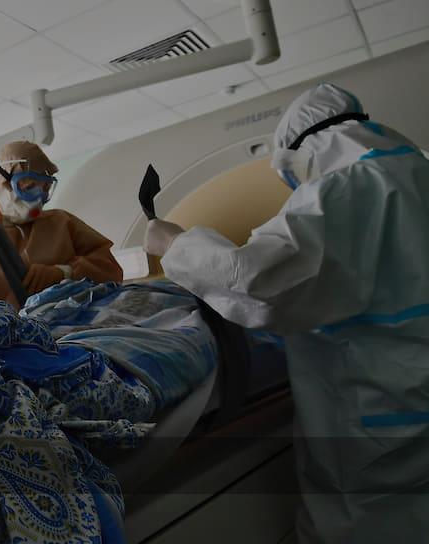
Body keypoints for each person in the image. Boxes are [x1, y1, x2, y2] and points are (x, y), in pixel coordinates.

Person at [143, 82, 429, 543]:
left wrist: (175, 243)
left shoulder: (344, 186)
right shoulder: (415, 168)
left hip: (378, 404)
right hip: (411, 388)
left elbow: (256, 283)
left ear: (303, 150)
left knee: (366, 522)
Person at [0, 141, 123, 307]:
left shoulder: (62, 222)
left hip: (69, 321)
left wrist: (64, 272)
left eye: (45, 188)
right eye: (29, 186)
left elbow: (111, 270)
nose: (38, 197)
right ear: (4, 182)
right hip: (9, 325)